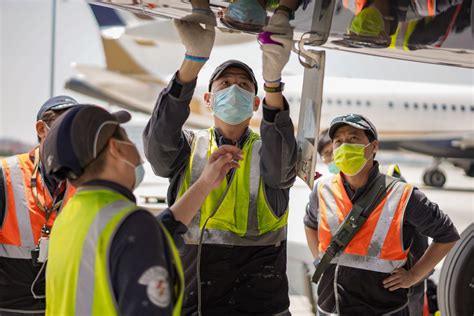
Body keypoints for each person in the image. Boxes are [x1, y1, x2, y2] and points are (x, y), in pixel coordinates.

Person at [143, 16, 297, 315]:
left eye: (243, 85)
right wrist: (192, 62)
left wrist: (273, 83)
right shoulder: (188, 148)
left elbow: (281, 160)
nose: (234, 89)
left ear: (255, 102)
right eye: (225, 84)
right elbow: (158, 146)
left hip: (260, 307)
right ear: (209, 99)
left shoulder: (270, 152)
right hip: (197, 303)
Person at [41, 104, 242, 315]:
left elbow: (151, 236)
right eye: (126, 137)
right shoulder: (131, 226)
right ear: (116, 148)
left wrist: (205, 183)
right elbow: (140, 238)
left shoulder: (70, 217)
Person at [303, 113, 459, 315]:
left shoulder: (403, 195)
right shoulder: (322, 189)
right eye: (338, 141)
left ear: (374, 146)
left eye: (353, 139)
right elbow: (310, 223)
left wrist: (413, 276)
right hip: (331, 308)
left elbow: (447, 235)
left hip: (384, 309)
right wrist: (319, 259)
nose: (344, 147)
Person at [0, 96, 78, 315]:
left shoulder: (85, 179)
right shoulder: (6, 174)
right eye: (65, 127)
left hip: (60, 307)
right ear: (42, 129)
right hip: (10, 308)